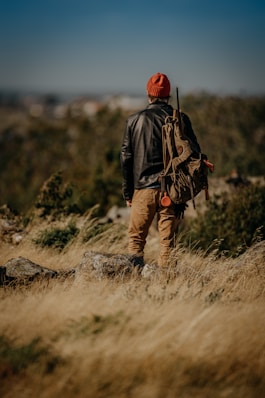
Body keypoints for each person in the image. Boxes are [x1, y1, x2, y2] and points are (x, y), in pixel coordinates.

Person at [120, 72, 200, 269]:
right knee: (168, 245)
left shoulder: (134, 120)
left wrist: (128, 192)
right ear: (168, 95)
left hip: (142, 190)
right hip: (171, 192)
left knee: (136, 240)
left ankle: (134, 280)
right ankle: (167, 284)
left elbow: (126, 158)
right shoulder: (180, 118)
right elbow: (195, 152)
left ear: (149, 94)